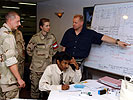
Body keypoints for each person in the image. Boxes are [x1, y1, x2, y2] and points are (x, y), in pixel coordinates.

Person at [60, 14, 130, 80]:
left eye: (76, 23)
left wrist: (117, 42)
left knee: (76, 81)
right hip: (67, 61)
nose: (73, 24)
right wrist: (61, 60)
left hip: (79, 63)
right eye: (73, 22)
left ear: (81, 23)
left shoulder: (89, 33)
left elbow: (103, 37)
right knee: (64, 79)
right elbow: (64, 47)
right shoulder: (68, 32)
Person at [26, 18, 59, 98]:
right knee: (35, 88)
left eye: (49, 25)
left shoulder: (52, 37)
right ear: (41, 27)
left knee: (48, 89)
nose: (49, 27)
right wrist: (37, 58)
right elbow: (29, 50)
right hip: (36, 69)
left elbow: (56, 48)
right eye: (46, 26)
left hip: (47, 68)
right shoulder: (35, 38)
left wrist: (50, 55)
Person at [0, 11, 25, 99]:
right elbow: (10, 60)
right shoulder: (8, 36)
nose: (19, 24)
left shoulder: (1, 32)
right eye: (17, 21)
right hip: (9, 81)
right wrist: (19, 79)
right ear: (10, 20)